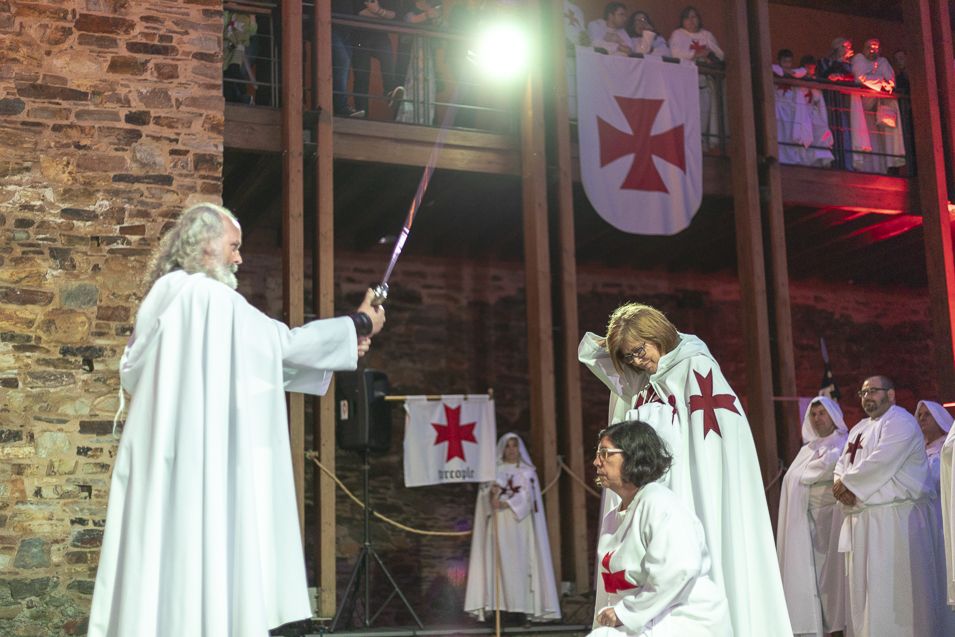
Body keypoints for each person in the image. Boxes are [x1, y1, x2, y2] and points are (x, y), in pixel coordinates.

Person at [88, 203, 386, 637]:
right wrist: (358, 322)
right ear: (206, 247)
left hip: (166, 468)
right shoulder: (210, 299)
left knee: (160, 567)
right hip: (199, 468)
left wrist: (346, 341)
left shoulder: (164, 299)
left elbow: (260, 356)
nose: (240, 258)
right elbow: (278, 344)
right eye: (234, 246)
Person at [578, 302, 792, 636]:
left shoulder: (695, 368)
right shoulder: (642, 382)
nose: (636, 361)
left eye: (638, 350)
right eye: (628, 357)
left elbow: (706, 446)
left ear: (657, 335)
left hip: (689, 494)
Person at [588, 420, 731, 637]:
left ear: (633, 456)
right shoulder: (612, 519)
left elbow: (680, 569)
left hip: (683, 619)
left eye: (605, 453)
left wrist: (626, 613)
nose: (596, 462)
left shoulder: (660, 503)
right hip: (645, 618)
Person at [832, 375, 942, 636]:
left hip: (895, 521)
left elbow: (882, 461)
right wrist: (841, 484)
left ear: (891, 395)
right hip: (863, 519)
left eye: (873, 391)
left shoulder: (901, 421)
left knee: (894, 596)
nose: (867, 397)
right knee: (864, 597)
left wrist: (848, 485)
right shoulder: (859, 428)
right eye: (863, 393)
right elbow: (840, 463)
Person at [464, 433, 561, 624]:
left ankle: (522, 610)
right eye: (507, 446)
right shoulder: (493, 471)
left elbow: (528, 500)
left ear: (519, 449)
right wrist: (490, 495)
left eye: (514, 446)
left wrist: (507, 504)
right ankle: (500, 610)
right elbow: (484, 502)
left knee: (521, 565)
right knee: (497, 566)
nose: (511, 450)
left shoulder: (528, 472)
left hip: (520, 527)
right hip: (498, 526)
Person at [776, 397, 847, 637]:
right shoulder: (807, 450)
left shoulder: (843, 443)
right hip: (808, 522)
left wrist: (805, 475)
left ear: (833, 416)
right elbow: (796, 478)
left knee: (833, 580)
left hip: (834, 521)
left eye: (822, 413)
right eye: (813, 414)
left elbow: (823, 469)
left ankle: (839, 628)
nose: (817, 419)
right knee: (814, 578)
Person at [669, 6, 725, 150]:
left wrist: (709, 54)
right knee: (687, 117)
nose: (691, 20)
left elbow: (720, 55)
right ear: (682, 21)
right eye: (687, 17)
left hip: (704, 83)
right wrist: (696, 55)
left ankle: (703, 146)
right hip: (685, 83)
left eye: (694, 17)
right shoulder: (678, 34)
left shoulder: (706, 35)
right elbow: (675, 54)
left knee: (704, 117)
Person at [850, 39, 905, 174]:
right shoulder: (859, 59)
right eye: (869, 47)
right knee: (867, 141)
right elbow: (861, 77)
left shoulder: (883, 62)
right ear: (864, 49)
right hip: (864, 108)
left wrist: (885, 83)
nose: (872, 50)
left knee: (881, 143)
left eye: (876, 48)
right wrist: (881, 82)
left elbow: (891, 81)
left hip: (881, 110)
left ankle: (884, 168)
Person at [351, 0, 405, 116]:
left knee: (388, 59)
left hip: (380, 35)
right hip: (360, 36)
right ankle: (362, 113)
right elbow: (360, 12)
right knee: (362, 75)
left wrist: (377, 10)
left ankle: (390, 92)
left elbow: (394, 14)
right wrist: (383, 14)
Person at [395, 0, 442, 125]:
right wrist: (427, 15)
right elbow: (407, 21)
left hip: (428, 57)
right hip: (409, 56)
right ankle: (406, 121)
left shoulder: (436, 5)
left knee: (428, 88)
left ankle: (426, 121)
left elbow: (443, 28)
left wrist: (437, 19)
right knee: (409, 88)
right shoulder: (408, 5)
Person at [816, 37, 855, 169]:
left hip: (845, 102)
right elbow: (822, 76)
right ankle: (833, 161)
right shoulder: (824, 61)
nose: (847, 49)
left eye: (848, 47)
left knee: (846, 131)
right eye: (845, 46)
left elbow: (854, 78)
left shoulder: (849, 64)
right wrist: (836, 65)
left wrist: (842, 76)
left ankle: (847, 162)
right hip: (830, 100)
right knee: (831, 129)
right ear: (836, 47)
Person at [772, 48, 813, 165]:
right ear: (779, 61)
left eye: (789, 62)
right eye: (784, 62)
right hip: (779, 109)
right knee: (780, 133)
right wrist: (786, 72)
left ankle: (791, 159)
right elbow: (775, 69)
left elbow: (802, 71)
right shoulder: (776, 70)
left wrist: (788, 72)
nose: (787, 64)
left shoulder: (795, 73)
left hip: (791, 111)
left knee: (790, 134)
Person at [798, 55, 835, 167]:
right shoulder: (798, 81)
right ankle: (806, 160)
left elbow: (819, 100)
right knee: (805, 135)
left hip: (814, 113)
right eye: (808, 68)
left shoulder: (815, 82)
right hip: (802, 113)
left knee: (824, 132)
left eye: (812, 68)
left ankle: (822, 156)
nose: (810, 71)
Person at [917, 400, 954, 484]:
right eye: (919, 415)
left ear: (939, 418)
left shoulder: (949, 447)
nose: (922, 418)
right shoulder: (917, 448)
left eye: (927, 414)